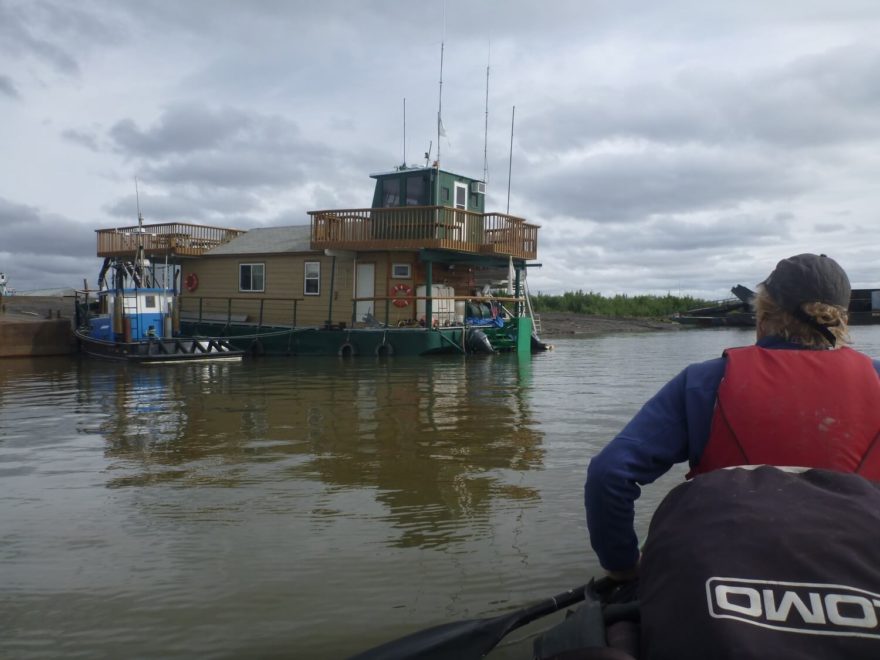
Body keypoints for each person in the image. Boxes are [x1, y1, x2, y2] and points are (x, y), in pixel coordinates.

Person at [584, 253, 880, 580]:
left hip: (722, 576)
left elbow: (609, 474)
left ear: (763, 315)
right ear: (841, 321)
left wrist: (623, 567)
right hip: (859, 573)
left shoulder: (705, 382)